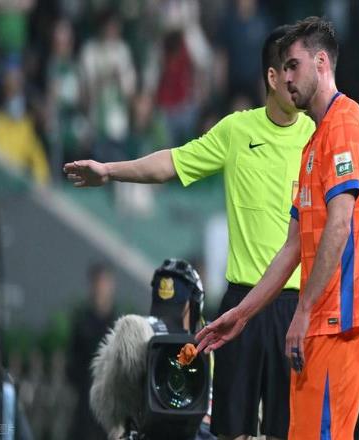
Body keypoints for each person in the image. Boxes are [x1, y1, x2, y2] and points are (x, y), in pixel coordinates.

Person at [64, 25, 315, 440]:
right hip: (241, 307)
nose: (300, 78)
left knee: (288, 432)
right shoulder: (237, 131)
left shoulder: (317, 135)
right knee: (231, 432)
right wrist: (109, 170)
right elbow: (171, 163)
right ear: (273, 77)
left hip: (293, 306)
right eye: (291, 67)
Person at [196, 16, 359, 440]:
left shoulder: (345, 123)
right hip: (314, 327)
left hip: (337, 322)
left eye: (293, 65)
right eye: (283, 68)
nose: (287, 76)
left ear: (321, 63)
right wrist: (240, 315)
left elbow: (340, 224)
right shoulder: (313, 143)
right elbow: (292, 247)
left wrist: (304, 309)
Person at [66, 262, 117, 440]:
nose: (101, 288)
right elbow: (72, 365)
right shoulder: (82, 323)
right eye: (98, 283)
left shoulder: (118, 324)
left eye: (105, 283)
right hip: (86, 402)